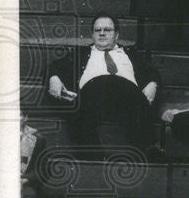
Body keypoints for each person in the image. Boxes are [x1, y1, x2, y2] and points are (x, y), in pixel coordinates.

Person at [46, 14, 161, 154]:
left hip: (128, 97)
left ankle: (146, 150)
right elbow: (53, 67)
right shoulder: (80, 53)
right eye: (97, 30)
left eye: (107, 30)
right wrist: (54, 78)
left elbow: (152, 72)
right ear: (92, 35)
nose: (102, 33)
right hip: (92, 96)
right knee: (98, 86)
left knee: (128, 91)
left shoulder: (132, 54)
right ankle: (93, 154)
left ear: (117, 35)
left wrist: (153, 84)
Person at [20, 115, 48, 198]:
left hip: (23, 182)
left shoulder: (37, 139)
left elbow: (42, 169)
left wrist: (24, 181)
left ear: (25, 118)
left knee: (29, 195)